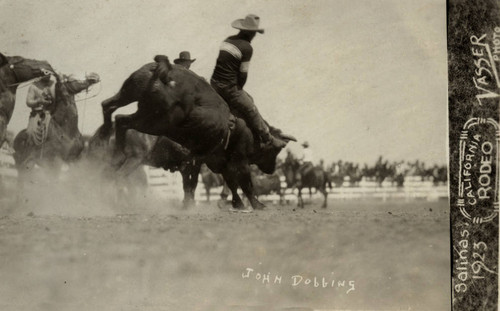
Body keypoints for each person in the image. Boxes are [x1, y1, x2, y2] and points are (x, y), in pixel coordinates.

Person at [210, 14, 285, 149]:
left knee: (248, 98)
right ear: (248, 32)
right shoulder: (246, 47)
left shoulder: (228, 40)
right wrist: (239, 89)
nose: (254, 36)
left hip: (214, 83)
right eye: (253, 33)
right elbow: (243, 74)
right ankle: (268, 138)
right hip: (229, 88)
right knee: (251, 109)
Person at [25, 75, 56, 144]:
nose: (48, 76)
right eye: (46, 74)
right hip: (37, 114)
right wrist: (39, 101)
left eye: (49, 75)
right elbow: (28, 102)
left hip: (50, 113)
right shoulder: (34, 86)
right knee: (30, 132)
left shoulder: (53, 84)